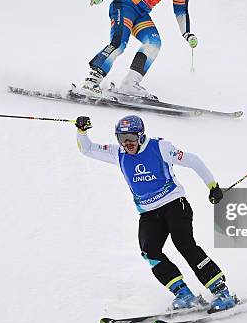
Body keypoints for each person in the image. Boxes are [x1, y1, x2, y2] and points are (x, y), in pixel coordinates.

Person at [74, 114, 237, 311]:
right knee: (149, 251)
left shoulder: (160, 147)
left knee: (184, 245)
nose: (127, 143)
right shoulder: (118, 153)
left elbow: (193, 160)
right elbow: (87, 149)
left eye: (131, 139)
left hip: (174, 204)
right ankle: (184, 295)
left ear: (141, 136)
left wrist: (213, 186)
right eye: (121, 139)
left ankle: (222, 292)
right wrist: (81, 131)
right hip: (149, 213)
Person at [79, 0, 200, 99]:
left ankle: (130, 84)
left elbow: (181, 9)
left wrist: (187, 34)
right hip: (124, 4)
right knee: (119, 43)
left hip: (141, 14)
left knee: (153, 43)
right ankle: (91, 81)